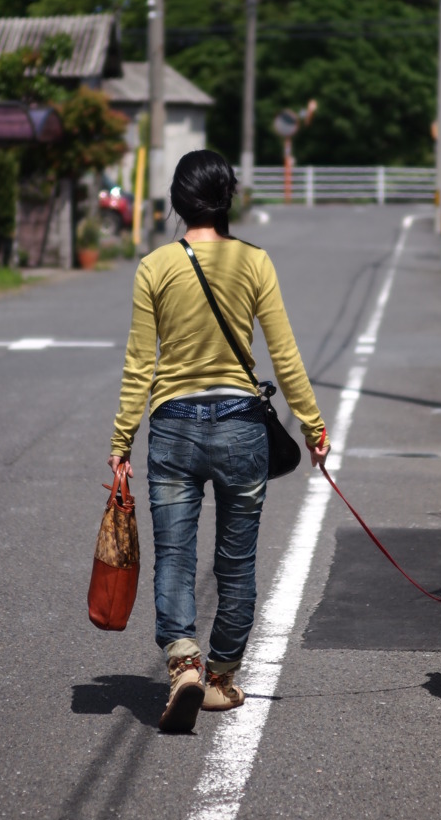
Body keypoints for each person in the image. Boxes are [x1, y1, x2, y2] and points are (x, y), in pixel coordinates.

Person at [108, 150, 330, 734]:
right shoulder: (254, 262)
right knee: (235, 562)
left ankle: (183, 662)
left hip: (173, 426)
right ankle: (222, 679)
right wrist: (312, 424)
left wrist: (121, 439)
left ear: (179, 202)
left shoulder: (154, 265)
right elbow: (283, 353)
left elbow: (139, 364)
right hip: (240, 427)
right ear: (227, 199)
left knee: (175, 556)